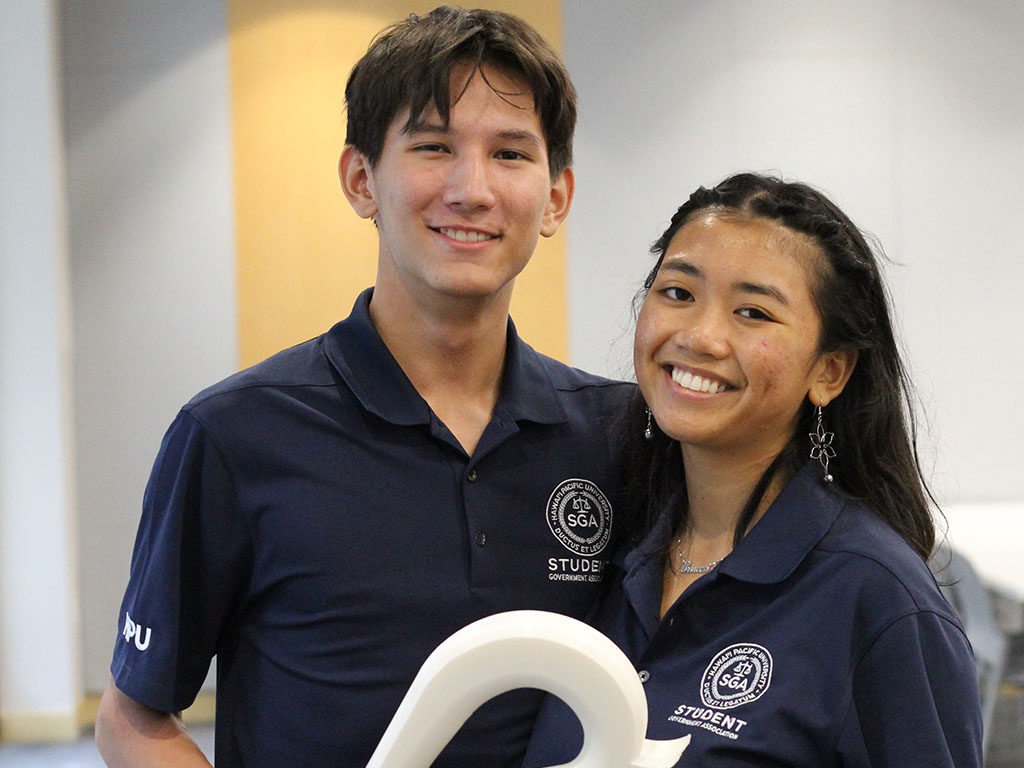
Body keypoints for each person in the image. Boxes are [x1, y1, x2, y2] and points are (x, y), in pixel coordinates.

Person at [95, 7, 631, 767]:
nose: (472, 189)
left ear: (556, 198)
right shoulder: (235, 434)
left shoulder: (617, 435)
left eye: (510, 154)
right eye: (434, 146)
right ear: (360, 179)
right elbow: (132, 718)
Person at [524, 173, 983, 767]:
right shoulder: (611, 549)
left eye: (752, 312)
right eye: (679, 294)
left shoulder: (877, 599)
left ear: (831, 373)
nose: (700, 336)